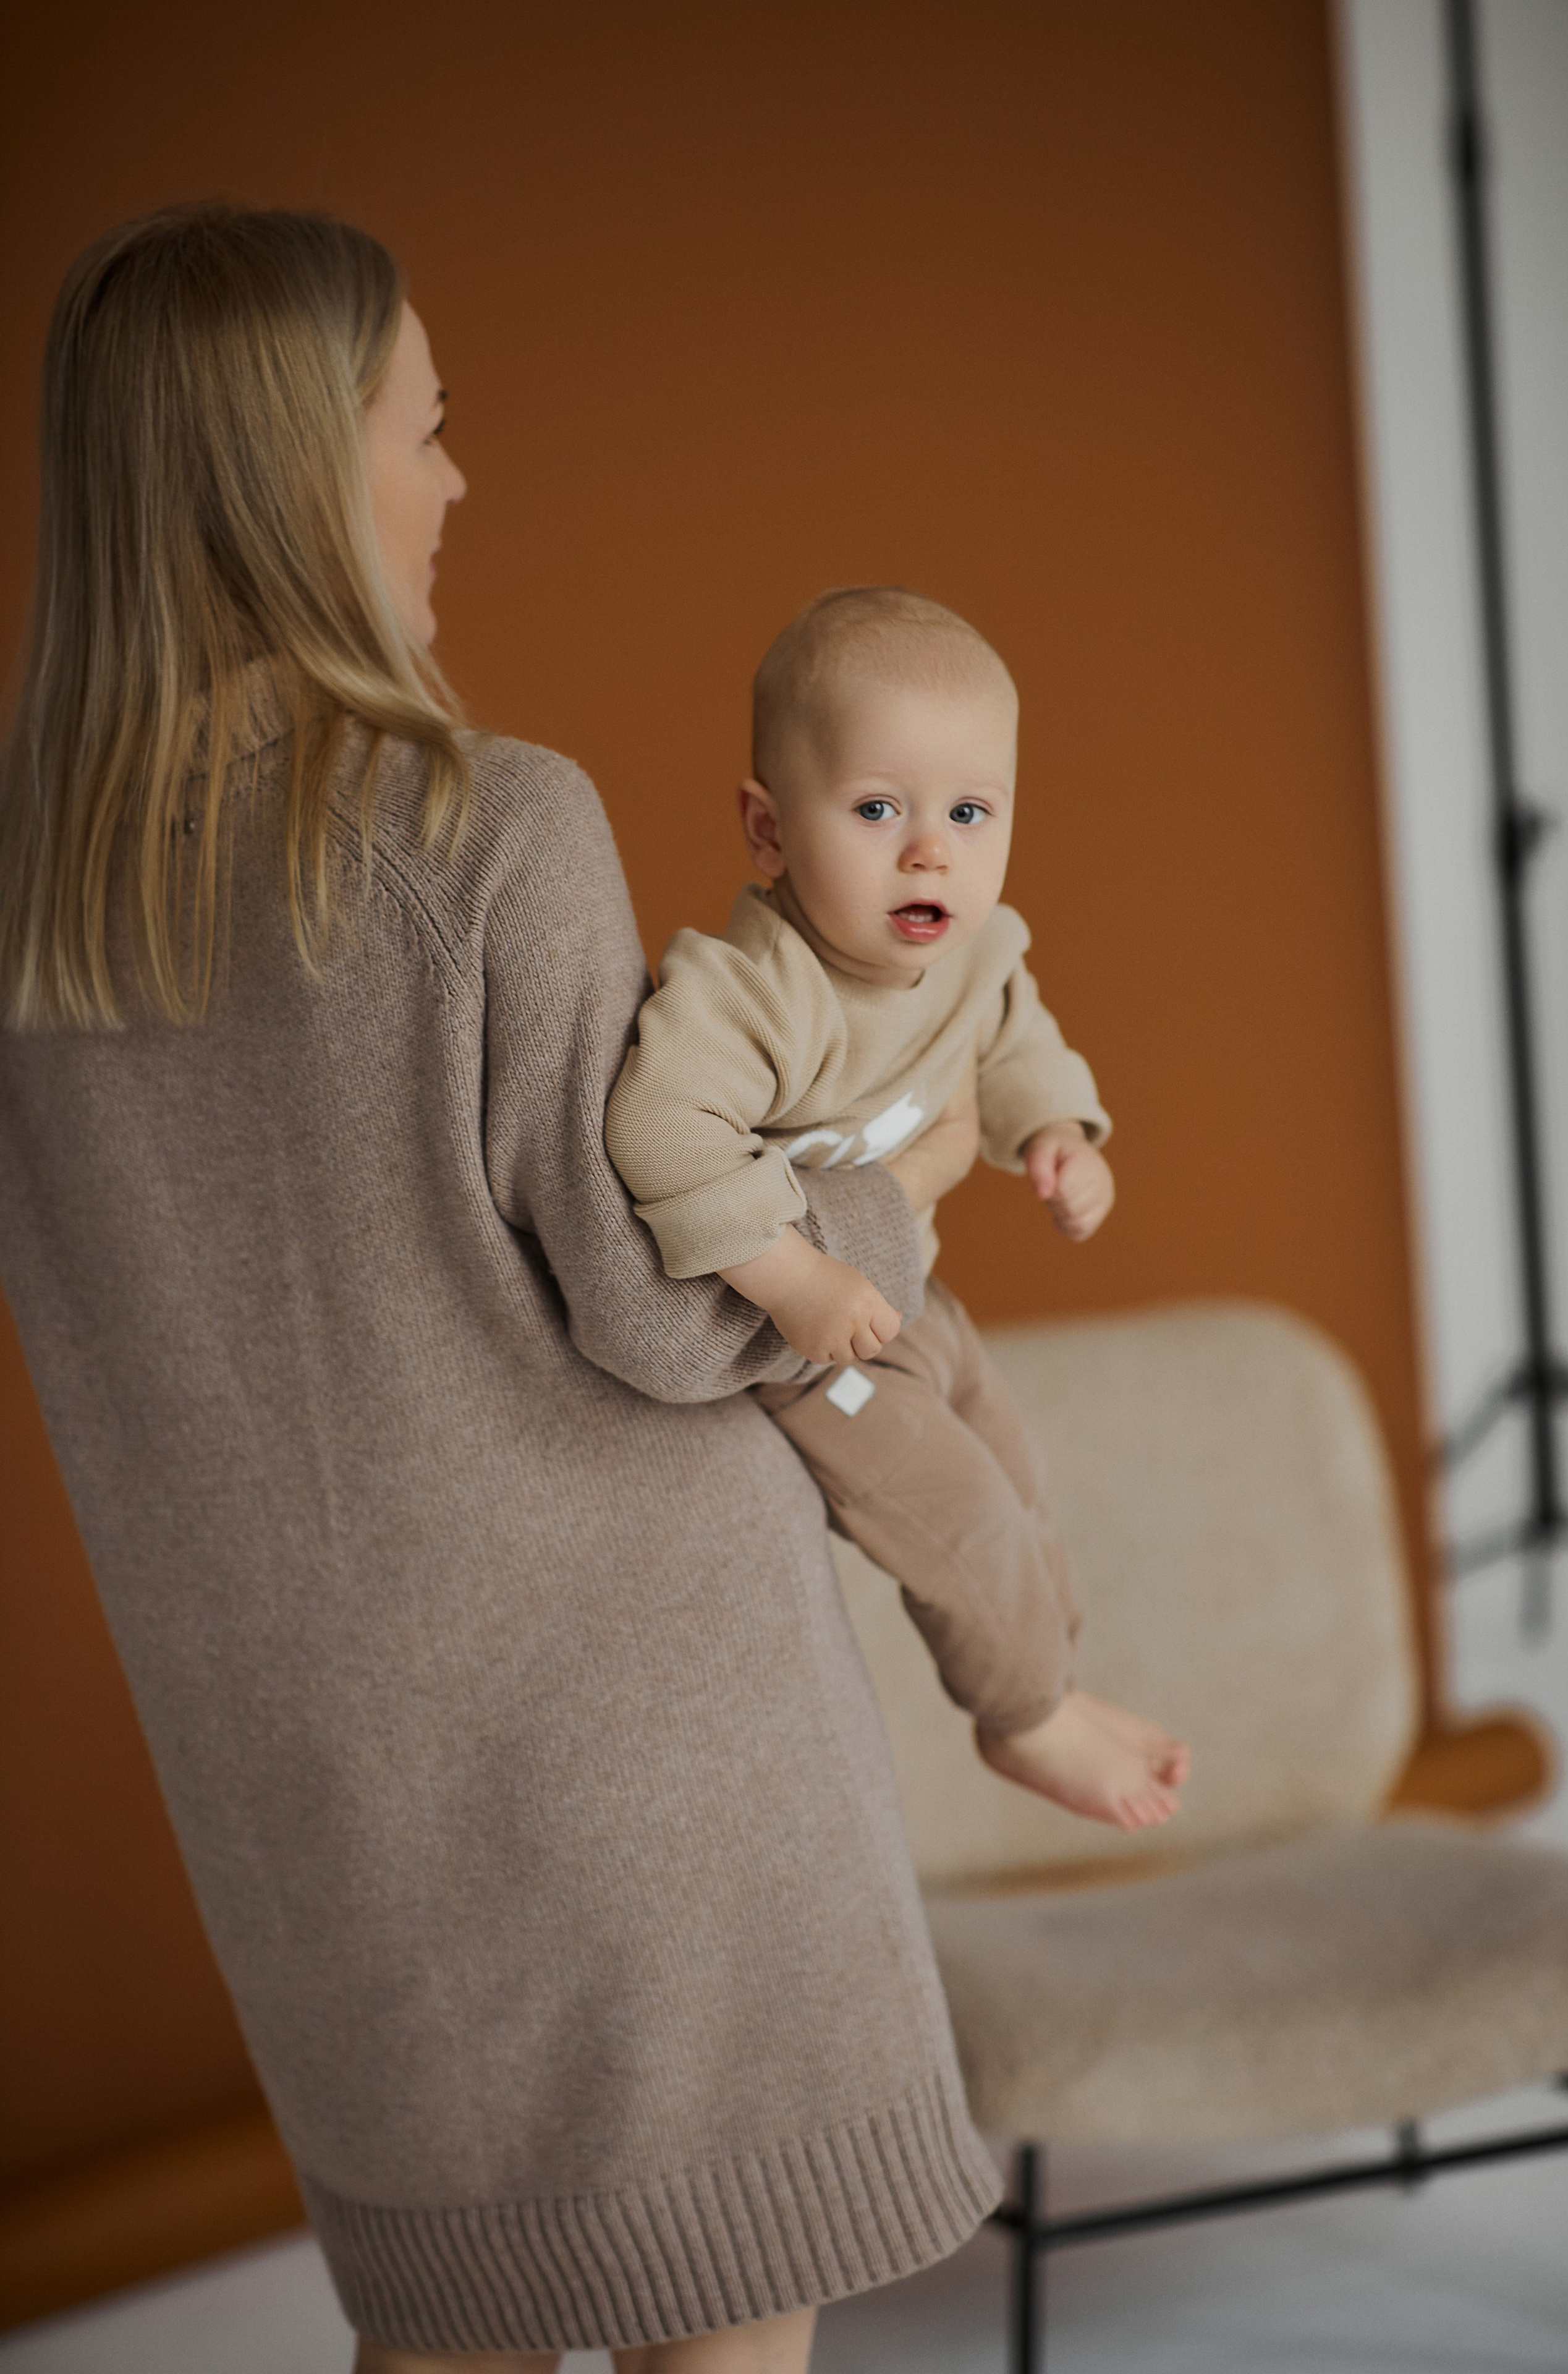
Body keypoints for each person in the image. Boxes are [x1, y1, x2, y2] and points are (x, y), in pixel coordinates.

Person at [0, 207, 1004, 2373]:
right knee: (721, 2335)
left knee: (444, 2338)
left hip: (318, 1815)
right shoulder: (480, 828)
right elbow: (661, 1313)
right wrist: (901, 1185)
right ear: (298, 470)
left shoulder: (35, 906)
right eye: (427, 433)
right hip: (646, 1772)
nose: (455, 486)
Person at [605, 589, 1189, 1828]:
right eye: (877, 811)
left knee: (1010, 1465)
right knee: (958, 1514)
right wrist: (792, 1280)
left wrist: (1056, 1135)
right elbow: (655, 1129)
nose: (930, 852)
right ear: (767, 832)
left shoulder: (972, 955)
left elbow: (1011, 1039)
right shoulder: (752, 990)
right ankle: (1023, 1718)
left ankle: (1055, 1679)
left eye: (969, 814)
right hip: (788, 1346)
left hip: (905, 1297)